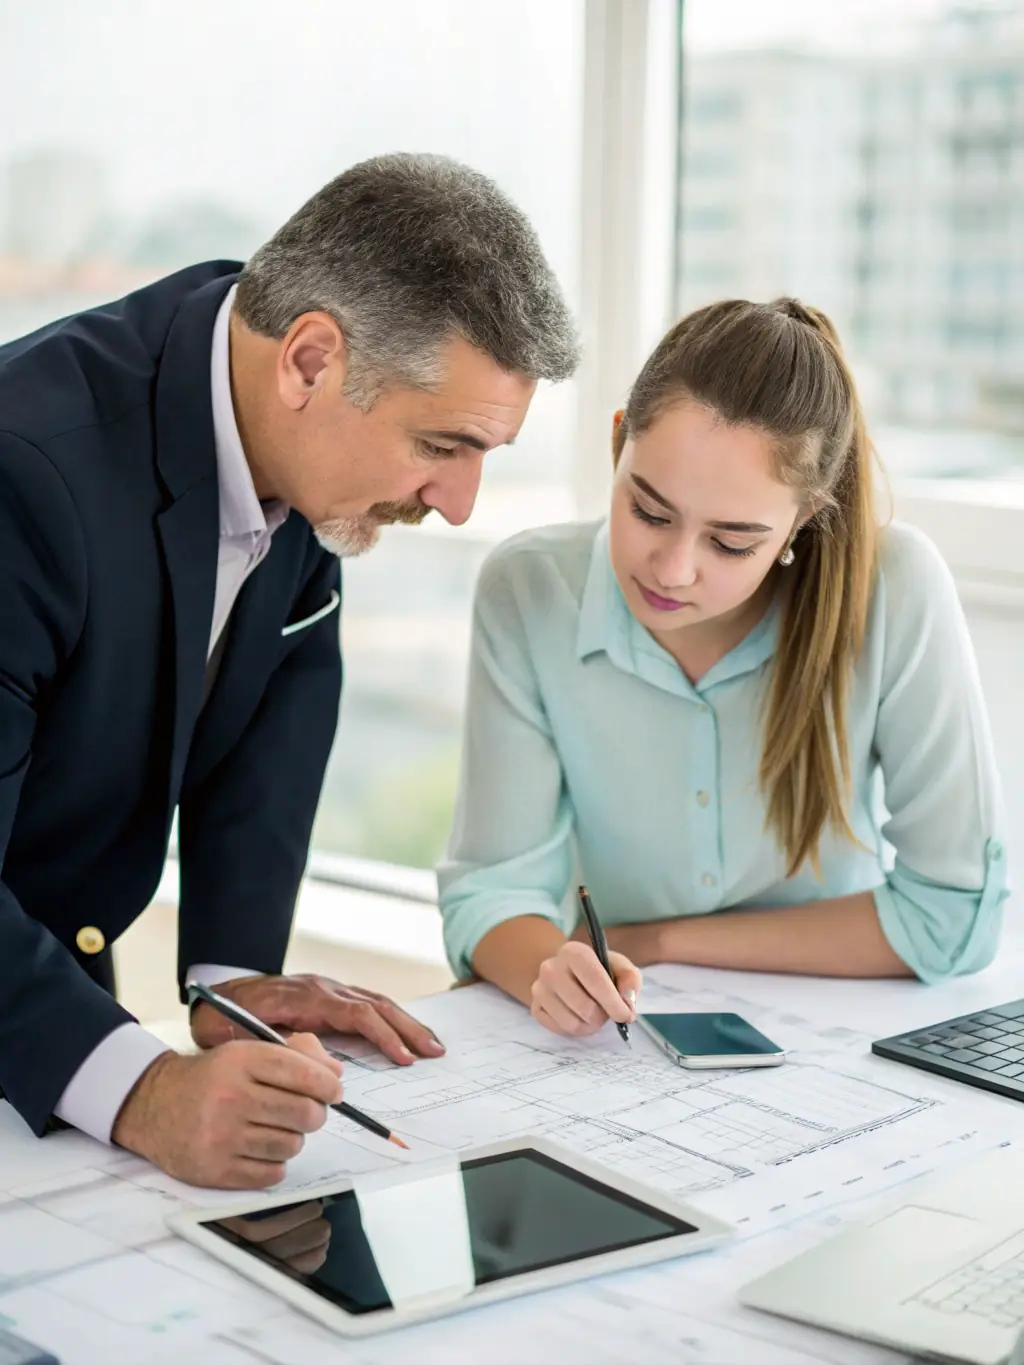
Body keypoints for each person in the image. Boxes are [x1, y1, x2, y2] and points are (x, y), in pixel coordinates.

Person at [0, 152, 578, 1186]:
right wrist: (141, 1091)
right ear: (309, 361)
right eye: (443, 445)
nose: (458, 504)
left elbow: (268, 721)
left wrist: (233, 987)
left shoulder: (298, 437)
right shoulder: (23, 473)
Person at [439, 297, 1006, 1037]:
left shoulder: (895, 587)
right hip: (628, 1042)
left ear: (805, 518)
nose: (673, 570)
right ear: (618, 447)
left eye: (732, 544)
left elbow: (954, 916)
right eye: (648, 511)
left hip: (843, 1044)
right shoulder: (529, 588)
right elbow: (490, 890)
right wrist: (550, 968)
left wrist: (661, 940)